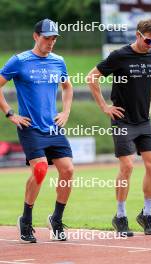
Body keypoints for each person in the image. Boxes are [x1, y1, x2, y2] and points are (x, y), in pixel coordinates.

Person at [0, 19, 74, 243]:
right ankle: (26, 219)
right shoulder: (19, 61)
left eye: (54, 38)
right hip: (30, 127)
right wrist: (10, 113)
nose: (51, 42)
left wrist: (66, 112)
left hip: (53, 127)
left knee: (68, 171)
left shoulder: (58, 61)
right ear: (35, 36)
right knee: (41, 169)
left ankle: (57, 219)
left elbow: (67, 87)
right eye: (46, 37)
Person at [87, 19, 151, 236]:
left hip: (144, 120)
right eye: (148, 40)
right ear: (138, 35)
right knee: (128, 166)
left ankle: (147, 214)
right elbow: (92, 77)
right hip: (122, 120)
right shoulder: (119, 55)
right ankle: (120, 217)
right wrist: (104, 107)